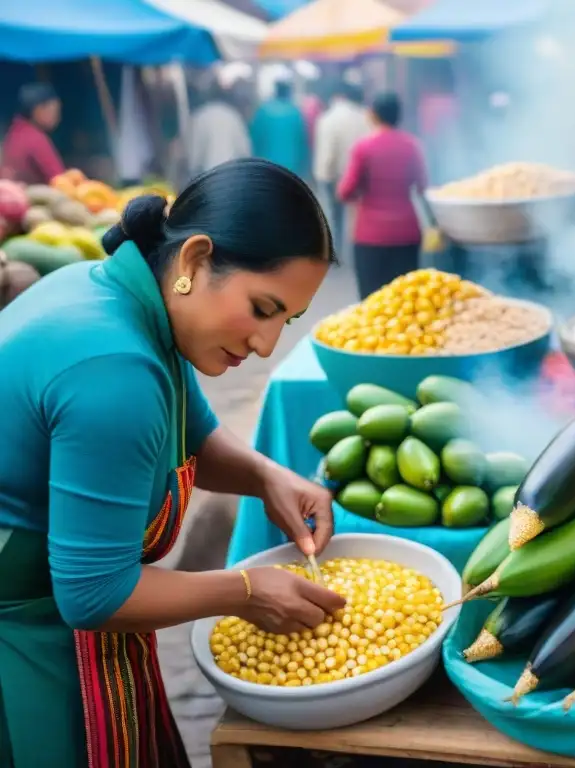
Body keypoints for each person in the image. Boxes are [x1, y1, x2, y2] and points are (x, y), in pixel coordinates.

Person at [0, 158, 347, 768]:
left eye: (287, 320)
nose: (267, 345)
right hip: (24, 640)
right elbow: (95, 594)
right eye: (262, 309)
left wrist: (267, 476)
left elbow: (193, 433)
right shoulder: (116, 370)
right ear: (193, 260)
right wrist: (244, 590)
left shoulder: (126, 298)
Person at [337, 92, 428, 299]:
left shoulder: (364, 147)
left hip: (371, 236)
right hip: (407, 233)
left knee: (372, 303)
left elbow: (345, 191)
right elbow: (422, 186)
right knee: (404, 302)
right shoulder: (412, 146)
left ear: (373, 115)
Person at [313, 82, 371, 243]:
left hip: (337, 174)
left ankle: (338, 245)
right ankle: (357, 242)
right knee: (357, 212)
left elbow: (327, 151)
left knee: (336, 214)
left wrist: (324, 175)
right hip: (361, 173)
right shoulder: (365, 116)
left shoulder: (327, 118)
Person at [0, 82, 65, 185]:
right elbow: (59, 180)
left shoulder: (14, 132)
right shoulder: (35, 139)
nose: (58, 117)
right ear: (38, 110)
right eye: (54, 110)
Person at [186, 79, 252, 180]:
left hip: (207, 176)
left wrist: (192, 171)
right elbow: (244, 150)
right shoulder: (233, 115)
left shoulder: (200, 116)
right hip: (232, 173)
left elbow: (194, 153)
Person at [250, 80, 310, 178]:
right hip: (291, 169)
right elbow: (302, 143)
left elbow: (255, 139)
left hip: (266, 167)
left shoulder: (263, 111)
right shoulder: (295, 112)